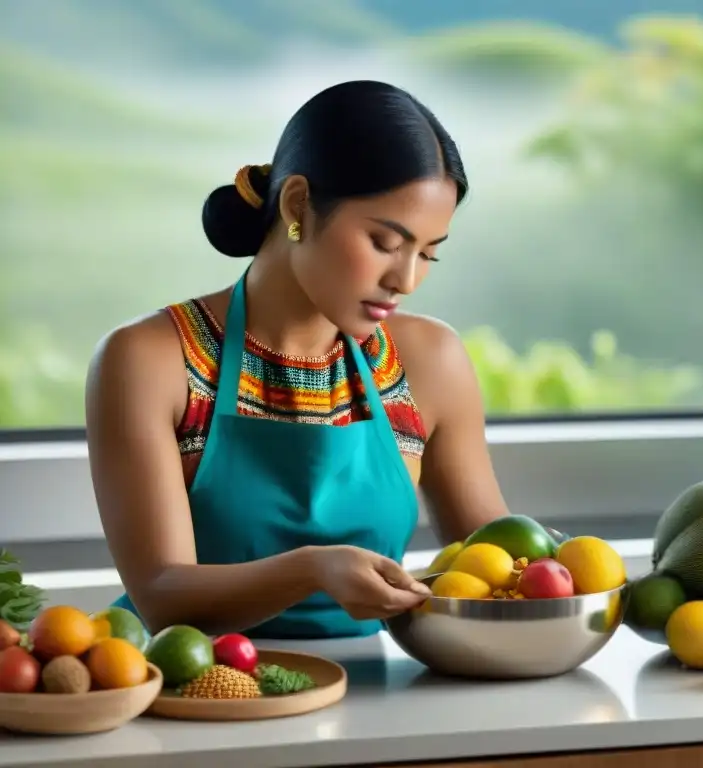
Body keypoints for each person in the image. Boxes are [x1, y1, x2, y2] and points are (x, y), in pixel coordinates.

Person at [84, 80, 511, 640]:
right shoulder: (147, 361)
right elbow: (163, 596)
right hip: (187, 694)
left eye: (428, 253)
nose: (405, 280)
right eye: (385, 242)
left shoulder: (430, 361)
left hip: (372, 704)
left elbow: (506, 569)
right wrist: (314, 569)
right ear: (297, 205)